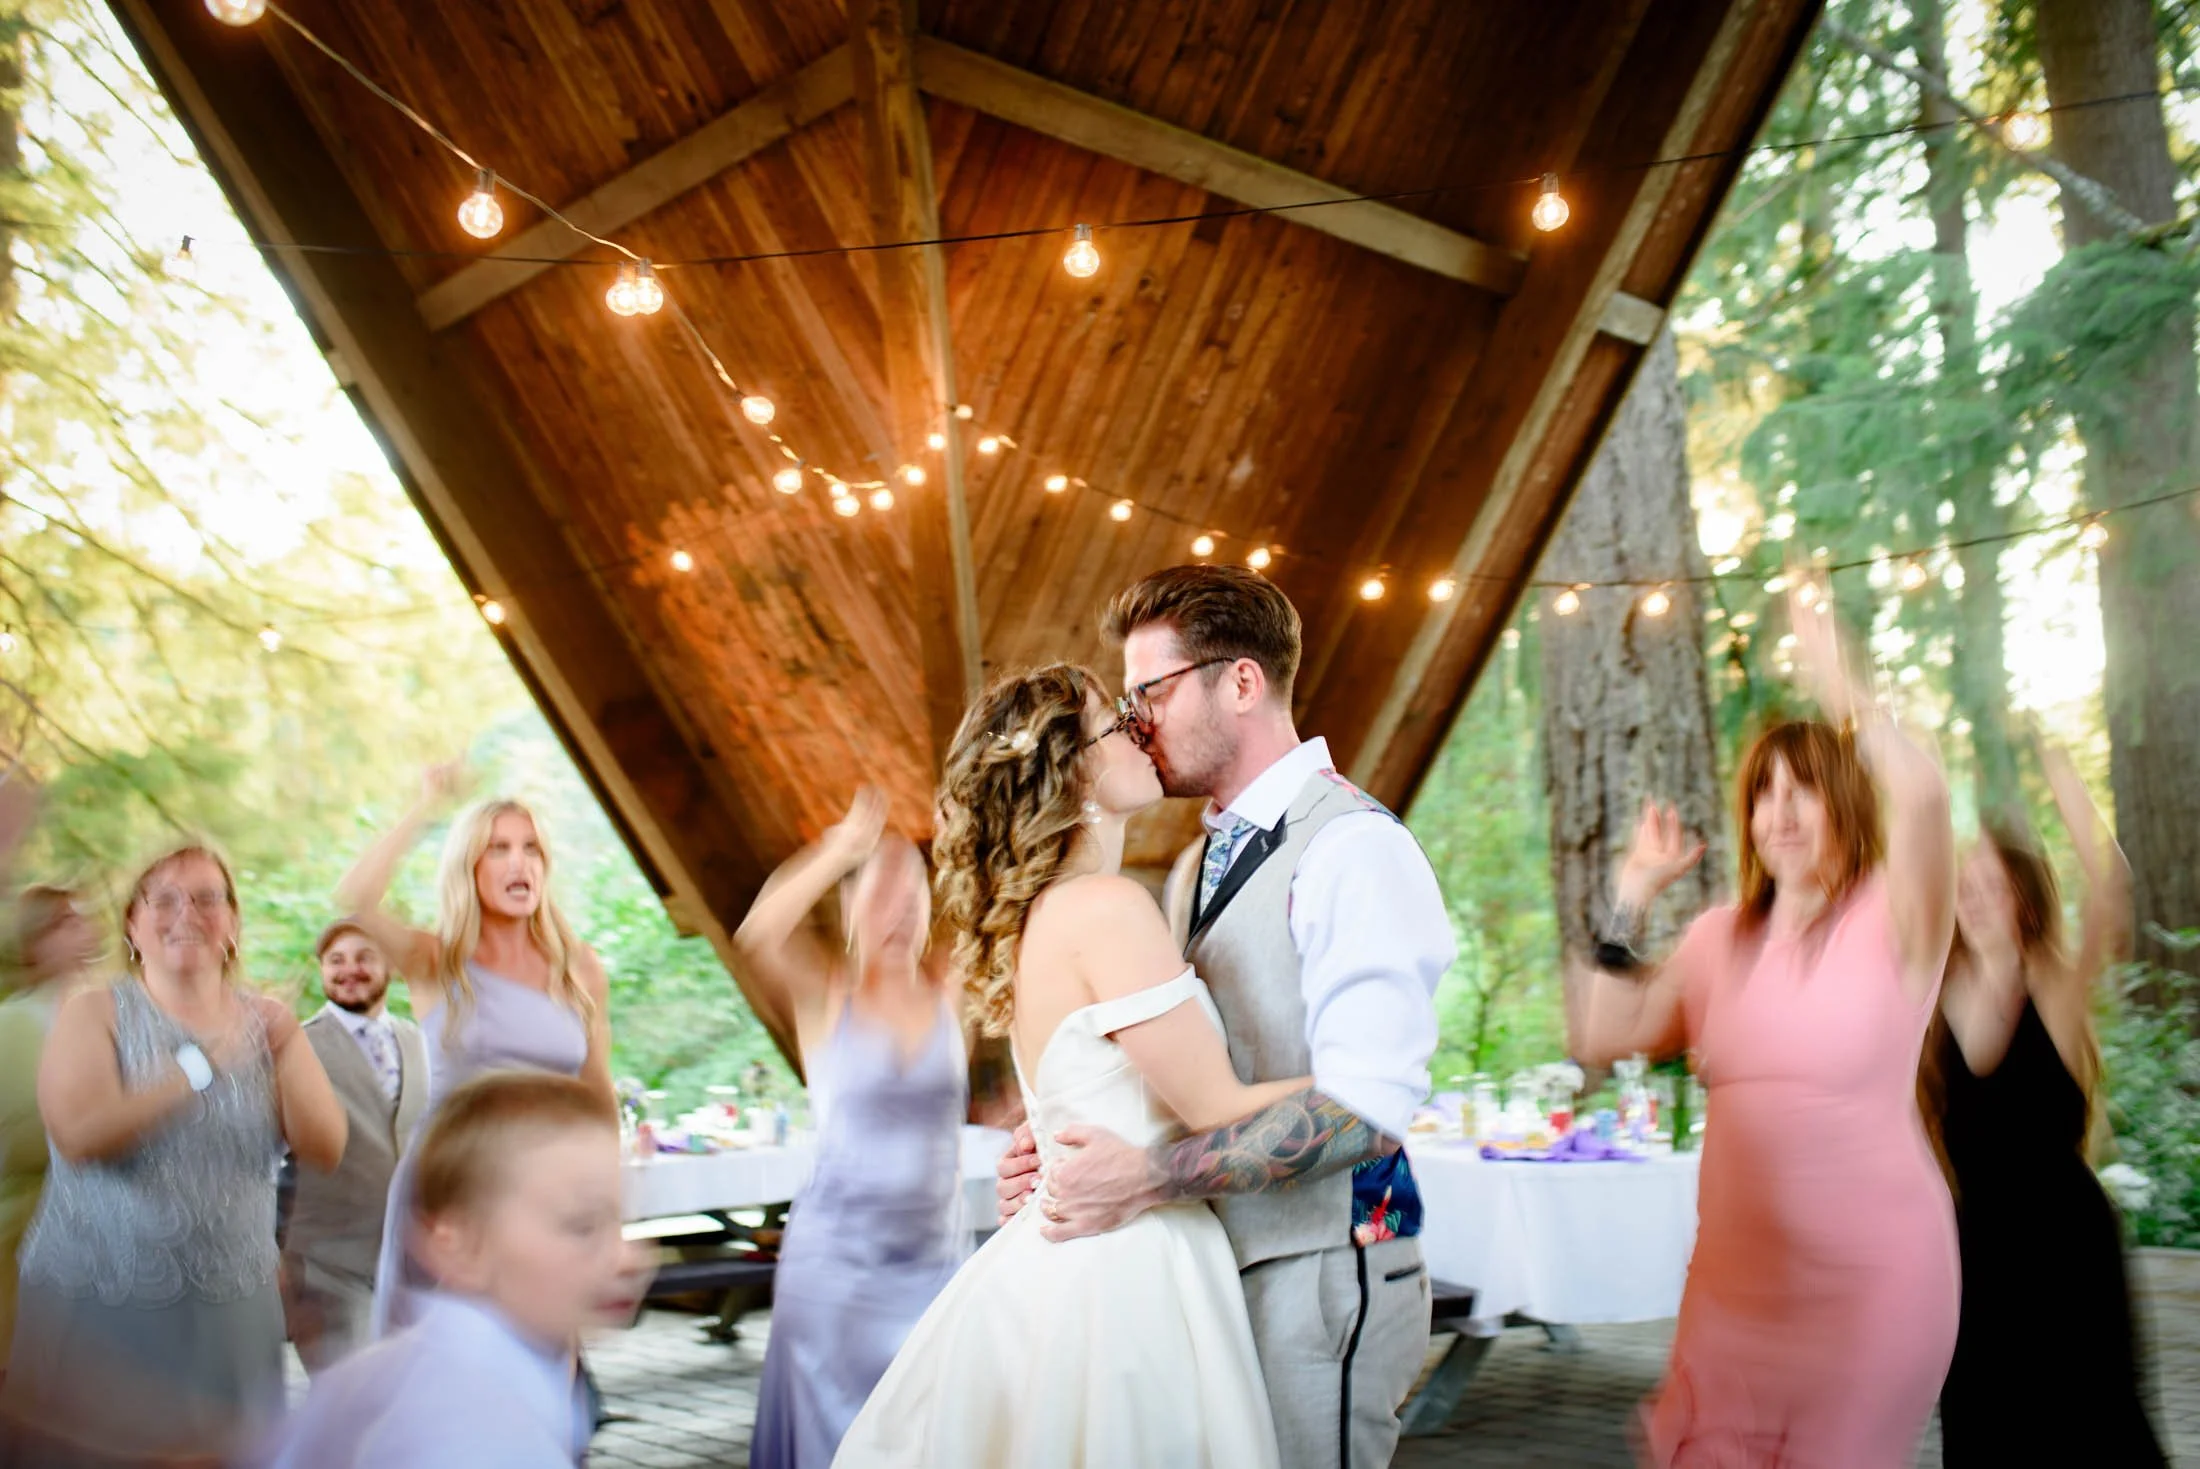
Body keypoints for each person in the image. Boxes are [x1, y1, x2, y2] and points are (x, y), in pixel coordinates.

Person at [992, 567, 1453, 1469]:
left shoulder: (1355, 849)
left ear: (1240, 681)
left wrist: (1146, 1176)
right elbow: (1174, 1063)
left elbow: (1367, 1111)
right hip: (1202, 1277)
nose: (1133, 722)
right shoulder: (1189, 863)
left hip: (1323, 1271)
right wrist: (1063, 1146)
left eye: (1148, 693)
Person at [834, 663, 1304, 1468]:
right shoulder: (1105, 909)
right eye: (1114, 724)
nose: (1138, 729)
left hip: (1067, 1249)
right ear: (1072, 767)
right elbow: (1218, 1106)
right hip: (1130, 1269)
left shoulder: (1045, 915)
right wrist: (1382, 1082)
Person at [1567, 586, 1958, 1466]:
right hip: (1737, 1295)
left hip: (1873, 1285)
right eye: (1764, 793)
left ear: (1846, 802)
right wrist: (1631, 892)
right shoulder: (1717, 938)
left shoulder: (1897, 918)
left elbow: (1927, 802)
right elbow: (1603, 1035)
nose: (1781, 811)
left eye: (1806, 790)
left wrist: (1848, 698)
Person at [2, 842, 346, 1465]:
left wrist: (287, 1041)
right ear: (134, 925)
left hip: (230, 1312)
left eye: (208, 898)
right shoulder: (94, 1012)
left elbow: (326, 1146)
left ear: (233, 923)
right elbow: (81, 1137)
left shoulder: (265, 1023)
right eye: (163, 898)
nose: (186, 911)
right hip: (103, 1307)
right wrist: (203, 1062)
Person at [1929, 739, 2166, 1464]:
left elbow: (2110, 888)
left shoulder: (2058, 986)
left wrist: (2067, 788)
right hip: (1975, 1256)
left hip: (2066, 1253)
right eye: (1963, 885)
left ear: (2024, 899)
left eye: (1991, 884)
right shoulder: (1933, 996)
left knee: (2086, 1432)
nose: (1972, 897)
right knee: (1984, 1428)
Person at [334, 763, 614, 1336]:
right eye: (499, 849)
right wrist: (425, 806)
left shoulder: (578, 968)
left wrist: (608, 1203)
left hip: (542, 1195)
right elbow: (355, 898)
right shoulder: (436, 962)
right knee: (438, 1371)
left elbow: (597, 1092)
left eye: (531, 849)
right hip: (451, 1191)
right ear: (469, 867)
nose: (519, 863)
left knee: (534, 1370)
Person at [735, 789, 968, 1469]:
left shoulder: (953, 988)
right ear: (848, 909)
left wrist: (960, 842)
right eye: (880, 893)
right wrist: (837, 849)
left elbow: (1008, 907)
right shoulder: (823, 992)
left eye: (913, 895)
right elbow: (759, 934)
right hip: (835, 1276)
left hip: (932, 1270)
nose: (897, 910)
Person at [264, 1069, 651, 1469]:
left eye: (623, 1221)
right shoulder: (479, 1431)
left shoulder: (381, 1372)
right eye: (581, 1224)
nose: (626, 1258)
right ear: (459, 1246)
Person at [279, 917, 430, 1373]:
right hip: (328, 1266)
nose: (349, 970)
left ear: (390, 967)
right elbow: (263, 1157)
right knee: (352, 1403)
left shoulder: (418, 1040)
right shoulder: (294, 1046)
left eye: (364, 957)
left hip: (412, 1264)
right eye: (335, 961)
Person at [0, 883, 103, 1387]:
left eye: (83, 918)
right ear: (36, 940)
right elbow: (22, 1141)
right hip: (22, 1242)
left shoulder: (116, 1016)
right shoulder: (13, 1024)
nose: (85, 929)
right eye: (67, 921)